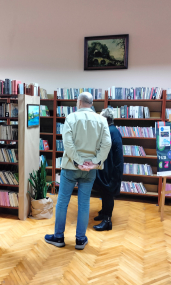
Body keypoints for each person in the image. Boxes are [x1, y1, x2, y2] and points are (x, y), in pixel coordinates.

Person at [45, 92, 112, 250]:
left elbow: (68, 143)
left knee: (62, 202)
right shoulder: (102, 120)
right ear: (91, 103)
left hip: (71, 166)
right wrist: (94, 162)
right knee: (84, 203)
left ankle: (59, 237)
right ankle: (80, 240)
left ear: (79, 102)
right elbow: (107, 144)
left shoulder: (71, 118)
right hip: (90, 170)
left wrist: (78, 161)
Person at [93, 108, 124, 231]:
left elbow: (116, 155)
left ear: (105, 119)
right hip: (108, 168)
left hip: (111, 170)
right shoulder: (111, 130)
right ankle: (104, 213)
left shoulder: (112, 132)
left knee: (108, 194)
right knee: (105, 193)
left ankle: (107, 221)